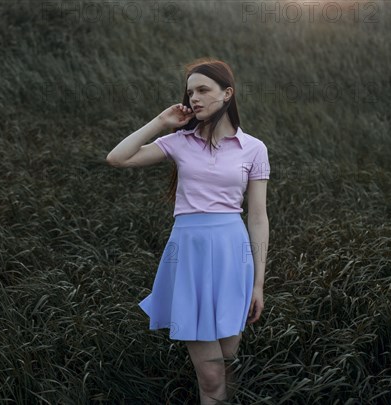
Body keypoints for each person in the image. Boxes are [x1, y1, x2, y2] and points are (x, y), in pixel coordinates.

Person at [106, 58, 270, 404]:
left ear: (227, 94)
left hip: (232, 256)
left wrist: (258, 283)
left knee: (226, 364)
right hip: (189, 253)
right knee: (211, 377)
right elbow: (117, 158)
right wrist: (161, 122)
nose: (194, 98)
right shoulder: (179, 142)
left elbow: (257, 216)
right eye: (190, 91)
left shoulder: (254, 148)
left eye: (203, 90)